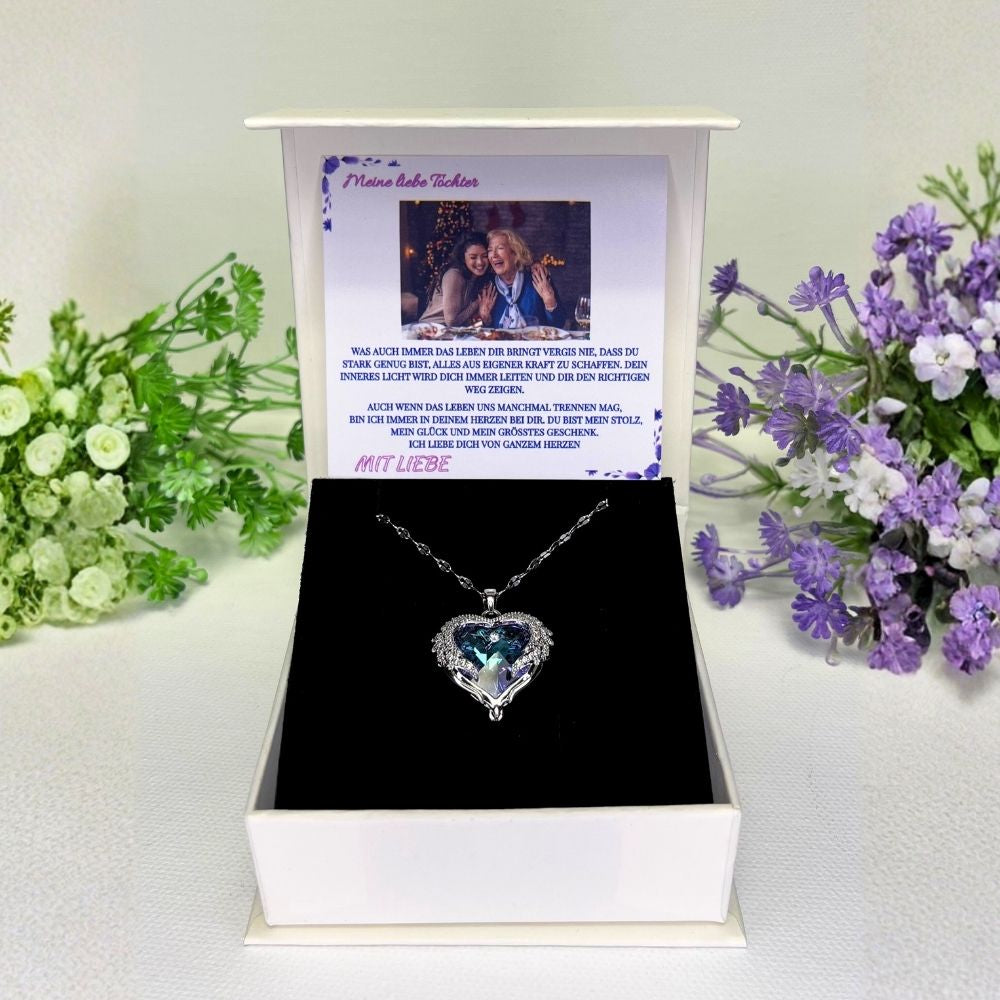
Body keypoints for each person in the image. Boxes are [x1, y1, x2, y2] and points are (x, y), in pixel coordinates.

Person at [478, 228, 568, 329]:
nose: (494, 255)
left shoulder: (538, 278)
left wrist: (550, 302)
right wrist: (486, 319)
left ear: (515, 254)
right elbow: (486, 332)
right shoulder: (488, 286)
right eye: (490, 250)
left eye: (500, 248)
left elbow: (559, 324)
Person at [418, 231, 490, 326]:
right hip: (430, 329)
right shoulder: (454, 275)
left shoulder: (476, 277)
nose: (480, 262)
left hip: (452, 331)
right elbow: (451, 322)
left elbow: (469, 322)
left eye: (485, 256)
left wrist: (485, 319)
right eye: (473, 257)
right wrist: (478, 302)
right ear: (463, 258)